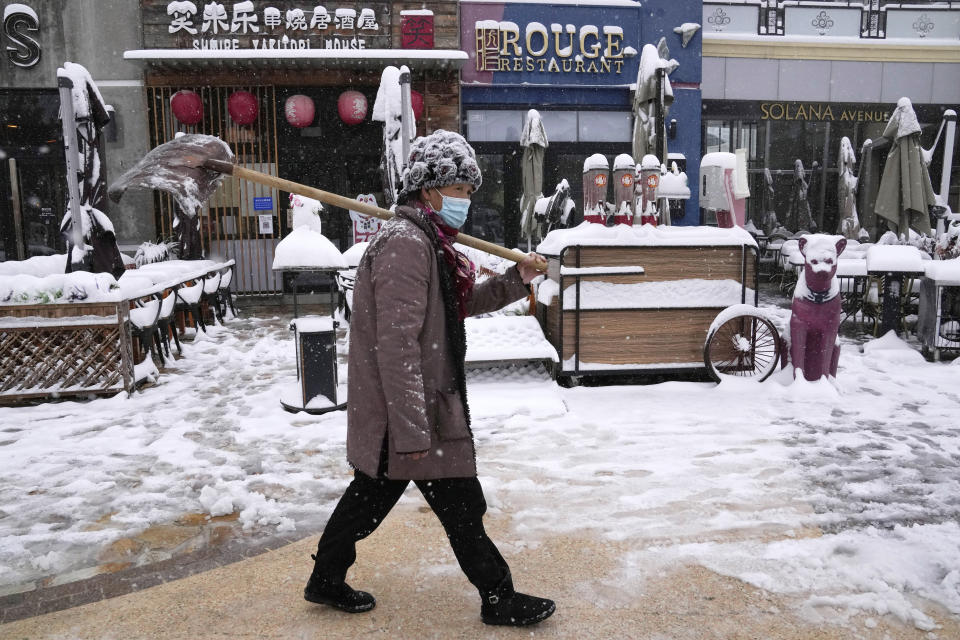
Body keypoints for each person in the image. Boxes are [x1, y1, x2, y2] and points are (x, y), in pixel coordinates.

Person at [304, 130, 555, 627]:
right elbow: (396, 346)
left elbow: (456, 307)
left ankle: (327, 578)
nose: (466, 201)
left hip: (416, 411)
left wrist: (515, 280)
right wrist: (413, 430)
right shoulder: (405, 245)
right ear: (429, 189)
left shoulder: (428, 241)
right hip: (411, 415)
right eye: (460, 190)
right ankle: (498, 596)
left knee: (371, 501)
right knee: (458, 505)